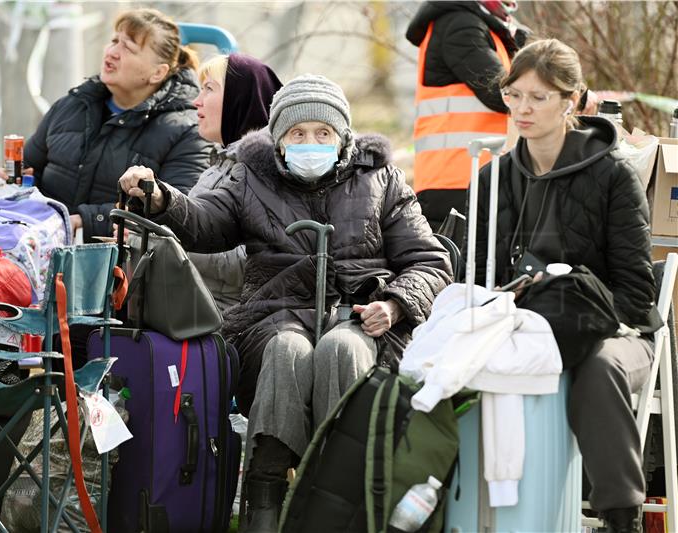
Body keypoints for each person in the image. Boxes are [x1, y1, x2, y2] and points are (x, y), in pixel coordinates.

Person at [119, 74, 452, 532]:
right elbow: (203, 223)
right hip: (274, 318)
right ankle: (265, 497)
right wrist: (159, 198)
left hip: (363, 319)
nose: (310, 142)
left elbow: (430, 263)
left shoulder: (382, 179)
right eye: (297, 134)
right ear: (278, 141)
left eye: (323, 133)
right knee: (286, 353)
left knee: (343, 350)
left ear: (343, 138)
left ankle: (345, 501)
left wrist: (394, 304)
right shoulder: (250, 177)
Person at [467, 39, 660, 532]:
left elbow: (636, 294)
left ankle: (622, 519)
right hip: (521, 325)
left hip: (616, 332)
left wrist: (574, 314)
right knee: (453, 355)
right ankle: (465, 512)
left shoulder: (614, 175)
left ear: (571, 101)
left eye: (539, 97)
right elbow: (479, 279)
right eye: (514, 96)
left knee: (596, 370)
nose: (522, 110)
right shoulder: (494, 179)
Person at [21, 7, 212, 240]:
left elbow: (176, 213)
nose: (112, 52)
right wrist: (15, 184)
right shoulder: (72, 105)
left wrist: (88, 221)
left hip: (121, 266)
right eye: (114, 41)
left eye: (128, 48)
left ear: (157, 73)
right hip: (39, 244)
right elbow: (29, 168)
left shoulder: (187, 131)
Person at [406, 0, 528, 230]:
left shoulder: (488, 27)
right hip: (456, 183)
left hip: (474, 178)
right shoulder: (460, 25)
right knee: (463, 265)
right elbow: (502, 93)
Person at [186, 53, 282, 311]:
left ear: (240, 99)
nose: (197, 102)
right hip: (197, 309)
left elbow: (252, 261)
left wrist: (163, 239)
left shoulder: (265, 169)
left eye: (209, 89)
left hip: (230, 322)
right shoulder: (220, 162)